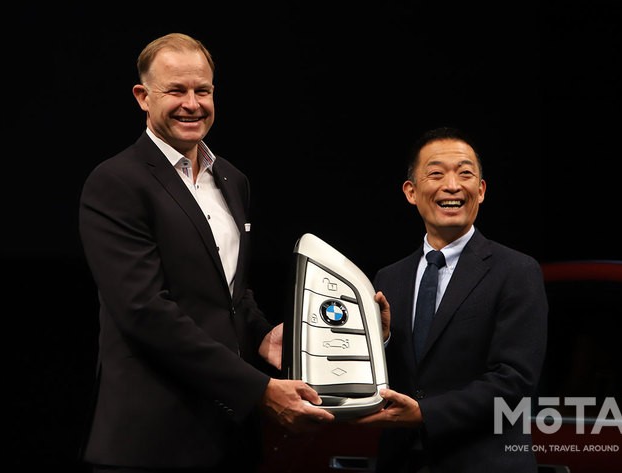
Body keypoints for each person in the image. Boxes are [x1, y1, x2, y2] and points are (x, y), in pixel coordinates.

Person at [77, 32, 334, 473]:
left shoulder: (232, 179)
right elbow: (143, 311)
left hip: (229, 436)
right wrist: (258, 389)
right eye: (176, 91)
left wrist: (262, 335)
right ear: (143, 97)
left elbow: (231, 292)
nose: (192, 104)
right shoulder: (116, 182)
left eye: (203, 90)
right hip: (152, 441)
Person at [358, 126, 548, 473]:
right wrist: (381, 341)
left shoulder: (517, 271)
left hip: (484, 463)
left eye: (465, 173)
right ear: (411, 192)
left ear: (481, 190)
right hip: (402, 462)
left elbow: (515, 380)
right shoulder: (389, 278)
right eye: (436, 174)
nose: (452, 185)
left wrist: (425, 413)